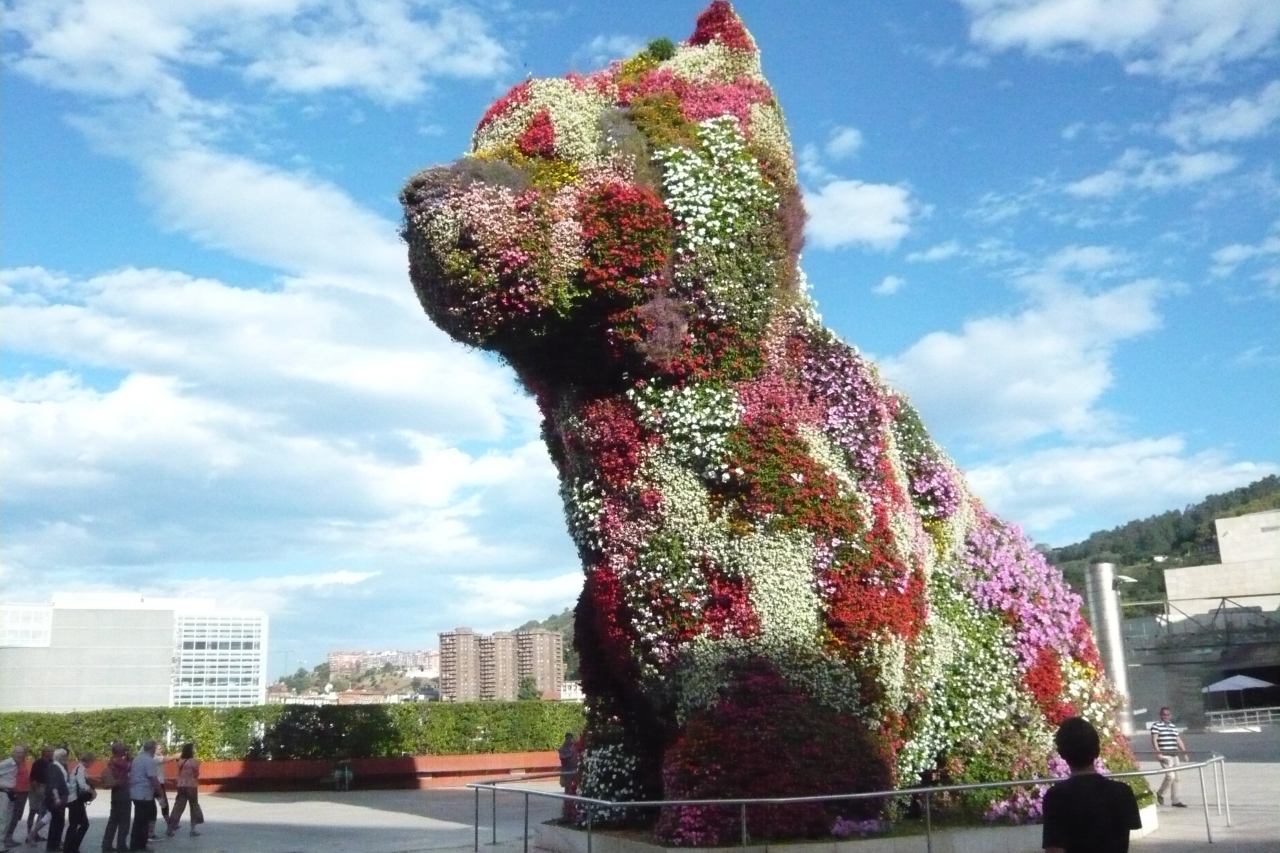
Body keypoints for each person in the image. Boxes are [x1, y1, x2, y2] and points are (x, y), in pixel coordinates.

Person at [1042, 717, 1141, 853]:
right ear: (1097, 750)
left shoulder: (1057, 796)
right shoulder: (1123, 792)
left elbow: (1055, 849)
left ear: (1062, 754)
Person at [1150, 706, 1188, 807]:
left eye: (1168, 715)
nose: (1166, 716)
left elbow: (1178, 740)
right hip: (1165, 755)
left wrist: (1184, 752)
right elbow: (1154, 740)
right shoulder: (1156, 726)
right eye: (1164, 714)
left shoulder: (1172, 726)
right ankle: (1160, 793)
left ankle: (1175, 800)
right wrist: (1158, 752)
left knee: (1177, 778)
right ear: (1160, 715)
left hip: (1174, 755)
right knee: (1170, 776)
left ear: (1171, 716)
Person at [128, 741, 162, 853]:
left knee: (139, 819)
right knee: (143, 821)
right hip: (144, 794)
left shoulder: (137, 759)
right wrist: (160, 792)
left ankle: (137, 844)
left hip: (135, 793)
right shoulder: (149, 760)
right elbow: (153, 779)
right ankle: (140, 845)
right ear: (152, 748)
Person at [100, 742, 132, 853]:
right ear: (119, 751)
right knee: (124, 820)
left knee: (113, 820)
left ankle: (106, 844)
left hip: (116, 792)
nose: (125, 751)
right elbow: (129, 766)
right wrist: (130, 758)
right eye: (124, 749)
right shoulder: (120, 761)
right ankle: (121, 845)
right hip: (122, 791)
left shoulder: (111, 761)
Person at [165, 745, 201, 838]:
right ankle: (193, 829)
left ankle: (170, 828)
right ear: (191, 751)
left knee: (178, 807)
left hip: (181, 786)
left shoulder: (180, 762)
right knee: (193, 806)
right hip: (192, 786)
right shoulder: (195, 762)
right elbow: (196, 774)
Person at [62, 751, 94, 853]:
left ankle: (69, 848)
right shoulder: (80, 769)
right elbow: (82, 785)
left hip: (73, 800)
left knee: (74, 825)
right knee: (82, 824)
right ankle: (72, 848)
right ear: (89, 761)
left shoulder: (77, 768)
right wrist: (92, 791)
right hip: (76, 800)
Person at [42, 749, 70, 853]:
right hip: (56, 799)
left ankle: (54, 844)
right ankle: (52, 846)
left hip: (59, 798)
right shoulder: (55, 767)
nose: (66, 758)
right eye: (64, 756)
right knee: (57, 822)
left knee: (58, 822)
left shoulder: (58, 766)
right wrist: (57, 798)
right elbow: (54, 785)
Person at [0, 744, 28, 849]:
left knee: (7, 819)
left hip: (11, 794)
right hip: (4, 793)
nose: (19, 755)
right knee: (3, 819)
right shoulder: (7, 763)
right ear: (13, 753)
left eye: (21, 753)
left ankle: (2, 844)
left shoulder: (17, 764)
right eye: (17, 752)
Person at [25, 746, 52, 845]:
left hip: (45, 787)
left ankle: (35, 833)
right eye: (49, 751)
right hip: (37, 787)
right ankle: (29, 833)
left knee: (42, 812)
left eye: (51, 751)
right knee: (33, 810)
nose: (51, 753)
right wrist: (36, 790)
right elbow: (33, 777)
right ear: (44, 752)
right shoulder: (38, 763)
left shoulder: (51, 762)